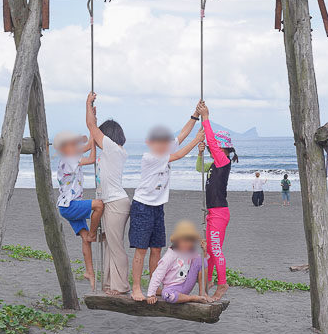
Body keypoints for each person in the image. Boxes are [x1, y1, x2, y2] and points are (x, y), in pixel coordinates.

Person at [128, 107, 204, 301]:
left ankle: (155, 286)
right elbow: (177, 156)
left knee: (156, 249)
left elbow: (182, 135)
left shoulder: (165, 149)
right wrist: (197, 140)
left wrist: (195, 115)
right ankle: (136, 287)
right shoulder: (150, 157)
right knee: (141, 250)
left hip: (158, 207)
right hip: (142, 206)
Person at [86, 92, 131, 296]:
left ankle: (120, 286)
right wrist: (94, 118)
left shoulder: (113, 149)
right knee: (108, 243)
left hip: (115, 202)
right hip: (110, 202)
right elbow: (93, 131)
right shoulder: (112, 151)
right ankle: (109, 284)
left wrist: (88, 105)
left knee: (115, 245)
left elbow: (92, 130)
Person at [195, 101, 237, 301]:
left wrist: (205, 118)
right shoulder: (214, 164)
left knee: (216, 250)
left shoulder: (223, 161)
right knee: (210, 249)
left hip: (219, 212)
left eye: (215, 148)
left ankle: (222, 284)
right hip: (214, 212)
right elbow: (199, 169)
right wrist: (201, 154)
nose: (213, 150)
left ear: (222, 148)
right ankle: (210, 279)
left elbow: (211, 140)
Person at [53, 131, 104, 291]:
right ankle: (93, 234)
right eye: (72, 145)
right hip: (71, 205)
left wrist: (89, 134)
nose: (76, 147)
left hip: (66, 206)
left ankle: (90, 273)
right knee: (99, 205)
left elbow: (85, 146)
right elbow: (90, 158)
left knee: (84, 239)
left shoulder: (69, 156)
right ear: (64, 149)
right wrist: (92, 140)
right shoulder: (69, 160)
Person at [146, 220, 209, 304]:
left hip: (186, 284)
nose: (188, 244)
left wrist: (204, 251)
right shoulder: (169, 256)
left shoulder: (191, 252)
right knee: (167, 295)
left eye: (191, 241)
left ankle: (202, 293)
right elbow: (157, 275)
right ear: (177, 241)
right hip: (173, 288)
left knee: (201, 260)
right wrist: (151, 294)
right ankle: (192, 298)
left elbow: (201, 264)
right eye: (185, 241)